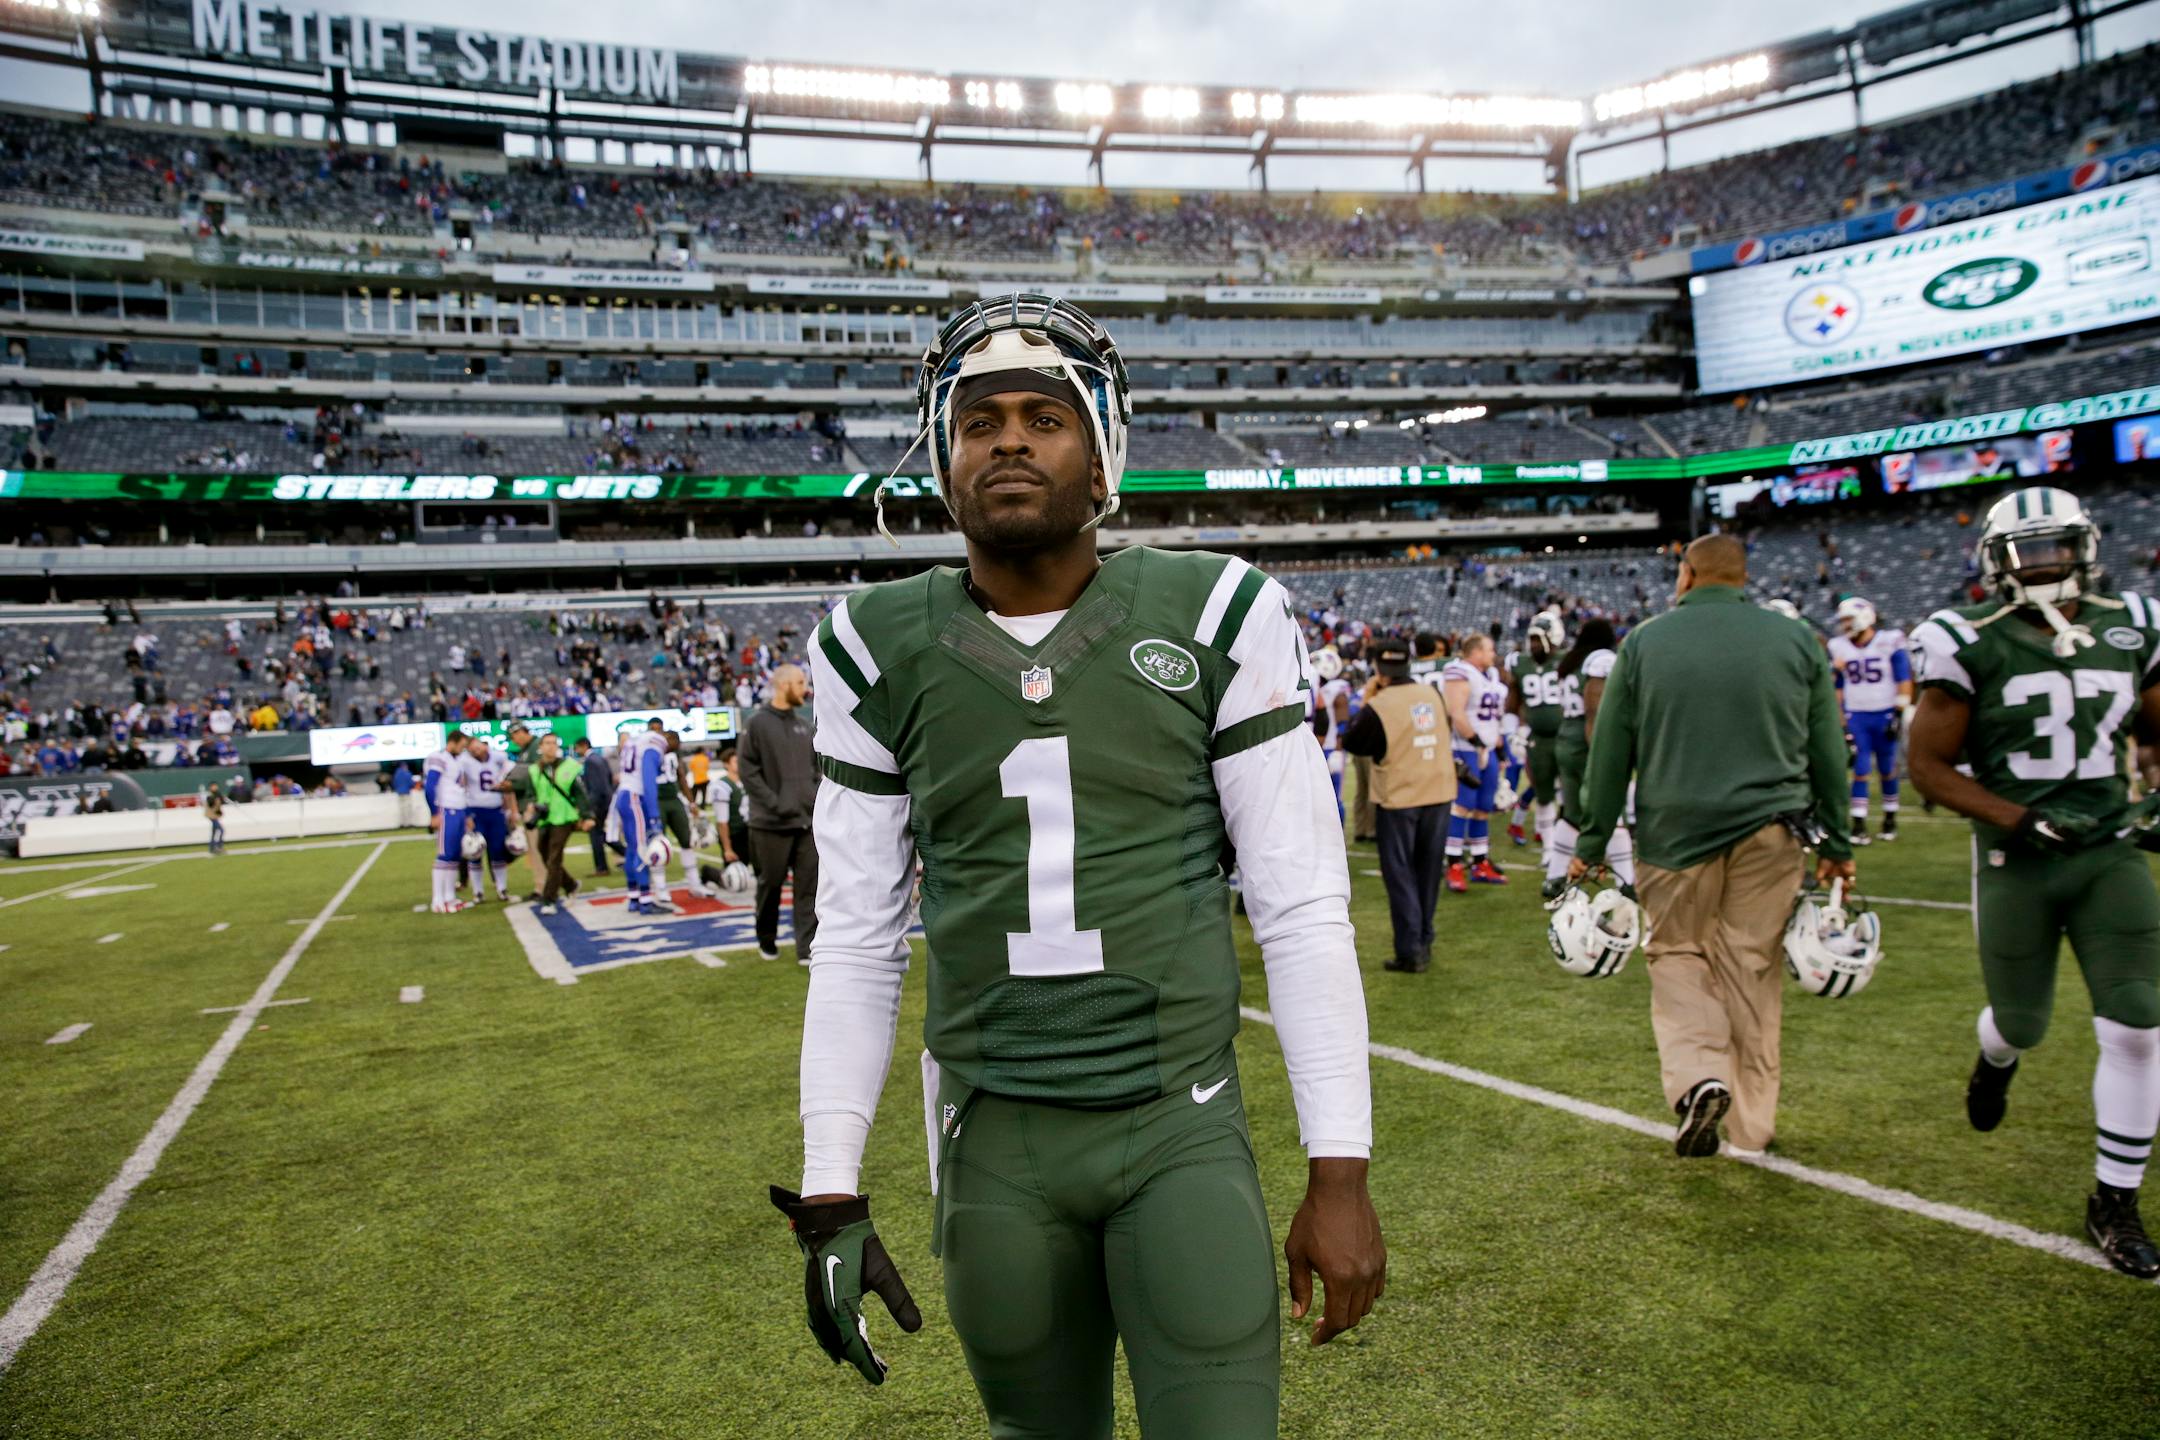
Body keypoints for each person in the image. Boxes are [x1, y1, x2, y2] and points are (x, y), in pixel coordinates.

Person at [776, 295, 1380, 1438]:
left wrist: (1338, 1167)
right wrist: (828, 1189)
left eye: (1044, 417)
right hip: (993, 1132)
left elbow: (1299, 907)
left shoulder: (1221, 611)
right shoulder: (871, 645)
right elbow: (855, 936)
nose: (1008, 438)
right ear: (943, 463)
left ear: (1104, 452)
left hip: (1178, 1118)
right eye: (980, 420)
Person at [1907, 486, 2160, 1278]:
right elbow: (1927, 767)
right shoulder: (1963, 638)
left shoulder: (2131, 623)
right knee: (2022, 1022)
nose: (2045, 565)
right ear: (1994, 562)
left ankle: (2113, 1201)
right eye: (2027, 551)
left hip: (2107, 850)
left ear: (2084, 546)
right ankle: (1996, 1059)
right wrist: (2015, 818)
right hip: (2018, 858)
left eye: (2055, 547)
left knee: (2139, 1025)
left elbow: (2157, 731)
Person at [1571, 534, 1854, 1159]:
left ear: (1687, 573)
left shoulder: (1645, 641)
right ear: (1743, 576)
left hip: (1675, 831)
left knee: (1677, 952)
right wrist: (1838, 837)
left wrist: (1592, 838)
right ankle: (1754, 1126)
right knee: (1752, 964)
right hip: (1774, 829)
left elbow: (1611, 753)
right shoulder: (1796, 639)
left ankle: (1701, 1076)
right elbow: (1828, 748)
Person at [1340, 639, 1454, 973]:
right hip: (1438, 791)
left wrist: (1369, 698)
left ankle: (1410, 949)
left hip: (1400, 796)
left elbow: (1354, 742)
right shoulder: (1432, 694)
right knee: (1429, 872)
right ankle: (1425, 938)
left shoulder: (1381, 704)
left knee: (1400, 873)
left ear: (1377, 668)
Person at [1547, 617, 1636, 897]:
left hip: (1565, 738)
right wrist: (1602, 750)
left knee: (1572, 813)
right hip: (1588, 739)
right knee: (1612, 809)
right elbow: (1595, 711)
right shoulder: (1601, 659)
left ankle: (1554, 877)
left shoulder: (1568, 661)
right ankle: (1627, 882)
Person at [738, 662, 818, 961]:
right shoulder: (757, 724)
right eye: (800, 682)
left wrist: (810, 799)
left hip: (806, 823)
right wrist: (776, 803)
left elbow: (816, 770)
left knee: (808, 888)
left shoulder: (805, 726)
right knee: (770, 886)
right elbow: (748, 771)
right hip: (770, 823)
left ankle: (805, 948)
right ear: (784, 685)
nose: (805, 688)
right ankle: (766, 939)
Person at [1828, 597, 1913, 845]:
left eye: (1848, 619)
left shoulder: (1889, 641)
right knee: (1860, 769)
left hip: (1885, 712)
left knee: (1888, 769)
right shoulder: (1839, 647)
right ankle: (1859, 824)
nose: (1844, 626)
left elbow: (1903, 678)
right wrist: (1842, 718)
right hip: (1857, 714)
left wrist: (1899, 713)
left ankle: (1889, 819)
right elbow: (1838, 689)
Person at [1440, 633, 1510, 891]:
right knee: (1462, 805)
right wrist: (1478, 743)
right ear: (1476, 652)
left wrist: (1498, 749)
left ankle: (1480, 862)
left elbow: (1493, 718)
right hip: (1465, 748)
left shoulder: (1489, 675)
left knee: (1483, 807)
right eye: (1489, 649)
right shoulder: (1459, 671)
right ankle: (1454, 865)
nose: (1493, 654)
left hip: (1487, 747)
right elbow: (1456, 712)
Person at [1507, 610, 1566, 862]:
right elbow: (1512, 703)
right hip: (1538, 738)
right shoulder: (1521, 664)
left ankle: (1567, 845)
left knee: (1571, 791)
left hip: (1567, 736)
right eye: (1530, 638)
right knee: (1542, 791)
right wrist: (1514, 732)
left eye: (1537, 638)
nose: (1532, 644)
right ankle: (1550, 849)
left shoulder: (1567, 661)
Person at [610, 719, 671, 914]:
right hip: (634, 797)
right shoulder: (654, 743)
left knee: (632, 848)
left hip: (624, 795)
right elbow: (648, 780)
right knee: (641, 848)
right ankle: (645, 901)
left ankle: (634, 897)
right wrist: (654, 817)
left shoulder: (636, 740)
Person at [527, 733, 590, 915]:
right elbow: (530, 792)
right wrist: (532, 805)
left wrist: (587, 815)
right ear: (541, 746)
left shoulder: (569, 766)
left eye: (553, 743)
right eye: (547, 743)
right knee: (545, 854)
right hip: (544, 817)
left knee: (554, 856)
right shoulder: (535, 769)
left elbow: (579, 792)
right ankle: (571, 885)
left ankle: (549, 899)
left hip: (564, 816)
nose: (550, 747)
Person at [424, 729, 473, 913]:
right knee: (444, 855)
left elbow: (461, 789)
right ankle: (438, 900)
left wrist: (467, 814)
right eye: (462, 745)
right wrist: (434, 813)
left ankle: (449, 897)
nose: (463, 749)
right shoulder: (438, 757)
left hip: (459, 809)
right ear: (454, 741)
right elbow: (430, 786)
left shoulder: (457, 761)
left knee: (454, 855)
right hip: (446, 809)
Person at [461, 736, 514, 903]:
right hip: (476, 811)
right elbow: (461, 787)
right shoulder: (465, 762)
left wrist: (510, 809)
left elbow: (507, 782)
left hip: (496, 810)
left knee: (498, 851)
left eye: (479, 747)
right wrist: (467, 813)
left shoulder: (499, 757)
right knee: (475, 851)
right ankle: (477, 891)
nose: (478, 751)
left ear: (485, 746)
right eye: (473, 749)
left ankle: (502, 888)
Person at [572, 736, 614, 876]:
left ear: (583, 745)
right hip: (606, 800)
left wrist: (589, 806)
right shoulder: (600, 758)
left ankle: (601, 867)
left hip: (598, 803)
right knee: (603, 834)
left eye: (577, 747)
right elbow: (609, 778)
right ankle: (625, 853)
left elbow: (595, 787)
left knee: (596, 834)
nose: (576, 751)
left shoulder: (590, 761)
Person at [203, 783, 225, 855]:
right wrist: (217, 797)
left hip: (215, 816)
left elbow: (220, 804)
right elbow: (211, 804)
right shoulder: (210, 796)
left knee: (214, 832)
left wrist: (220, 797)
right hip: (212, 816)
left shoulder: (217, 795)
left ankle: (211, 848)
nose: (215, 788)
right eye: (214, 787)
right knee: (221, 830)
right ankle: (219, 846)